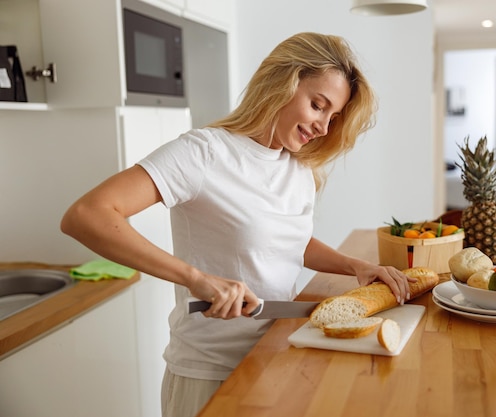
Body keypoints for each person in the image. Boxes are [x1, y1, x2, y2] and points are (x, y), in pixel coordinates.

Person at [61, 32, 416, 417]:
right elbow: (87, 215)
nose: (323, 127)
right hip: (210, 373)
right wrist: (195, 278)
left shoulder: (297, 168)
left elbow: (285, 242)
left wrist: (355, 266)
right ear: (283, 82)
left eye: (333, 117)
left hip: (279, 353)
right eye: (317, 106)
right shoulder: (205, 152)